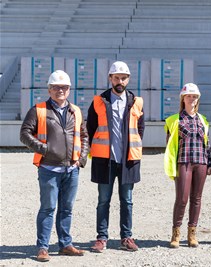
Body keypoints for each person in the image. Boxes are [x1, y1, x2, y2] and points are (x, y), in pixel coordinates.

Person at [20, 70, 89, 262]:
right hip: (49, 169)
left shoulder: (76, 111)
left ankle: (65, 244)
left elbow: (84, 136)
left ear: (69, 90)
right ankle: (43, 247)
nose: (60, 90)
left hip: (71, 169)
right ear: (49, 90)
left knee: (66, 209)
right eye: (56, 87)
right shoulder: (39, 110)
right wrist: (45, 149)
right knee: (48, 208)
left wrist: (81, 159)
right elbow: (25, 133)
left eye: (64, 87)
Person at [87, 61, 145, 252]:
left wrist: (132, 147)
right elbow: (91, 128)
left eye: (123, 77)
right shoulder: (99, 101)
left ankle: (126, 237)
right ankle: (101, 238)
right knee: (103, 200)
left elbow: (140, 129)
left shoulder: (136, 101)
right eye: (116, 77)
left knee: (127, 200)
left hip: (128, 160)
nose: (120, 81)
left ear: (128, 79)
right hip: (106, 159)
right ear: (110, 78)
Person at [164, 83, 211, 248]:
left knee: (196, 199)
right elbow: (170, 146)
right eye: (188, 96)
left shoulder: (203, 120)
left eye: (194, 96)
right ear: (183, 98)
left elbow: (207, 144)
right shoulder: (174, 120)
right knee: (182, 198)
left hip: (201, 162)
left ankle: (192, 233)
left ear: (197, 99)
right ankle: (176, 233)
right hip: (183, 162)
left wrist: (210, 163)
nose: (191, 99)